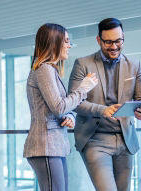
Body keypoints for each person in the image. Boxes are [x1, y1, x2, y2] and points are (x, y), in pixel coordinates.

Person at [68, 18, 141, 191]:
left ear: (123, 38)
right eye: (108, 42)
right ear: (99, 40)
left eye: (118, 41)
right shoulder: (83, 64)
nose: (114, 46)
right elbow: (74, 103)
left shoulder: (134, 65)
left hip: (125, 139)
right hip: (95, 139)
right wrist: (102, 110)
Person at [23, 23, 98, 191]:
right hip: (45, 147)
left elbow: (61, 107)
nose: (69, 45)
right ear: (54, 43)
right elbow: (58, 107)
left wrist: (70, 117)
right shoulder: (43, 69)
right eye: (65, 41)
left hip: (53, 146)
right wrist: (83, 89)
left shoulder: (51, 70)